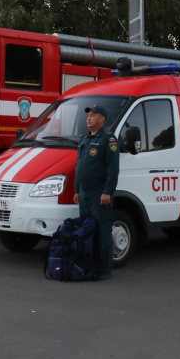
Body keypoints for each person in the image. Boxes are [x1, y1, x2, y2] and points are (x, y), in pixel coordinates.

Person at [73, 104, 120, 280]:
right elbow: (80, 166)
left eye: (93, 115)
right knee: (87, 231)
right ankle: (89, 265)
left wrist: (107, 191)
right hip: (84, 193)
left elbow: (112, 169)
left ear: (102, 118)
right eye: (88, 115)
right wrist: (77, 189)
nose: (89, 118)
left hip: (99, 193)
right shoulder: (84, 139)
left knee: (102, 231)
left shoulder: (108, 140)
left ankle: (104, 269)